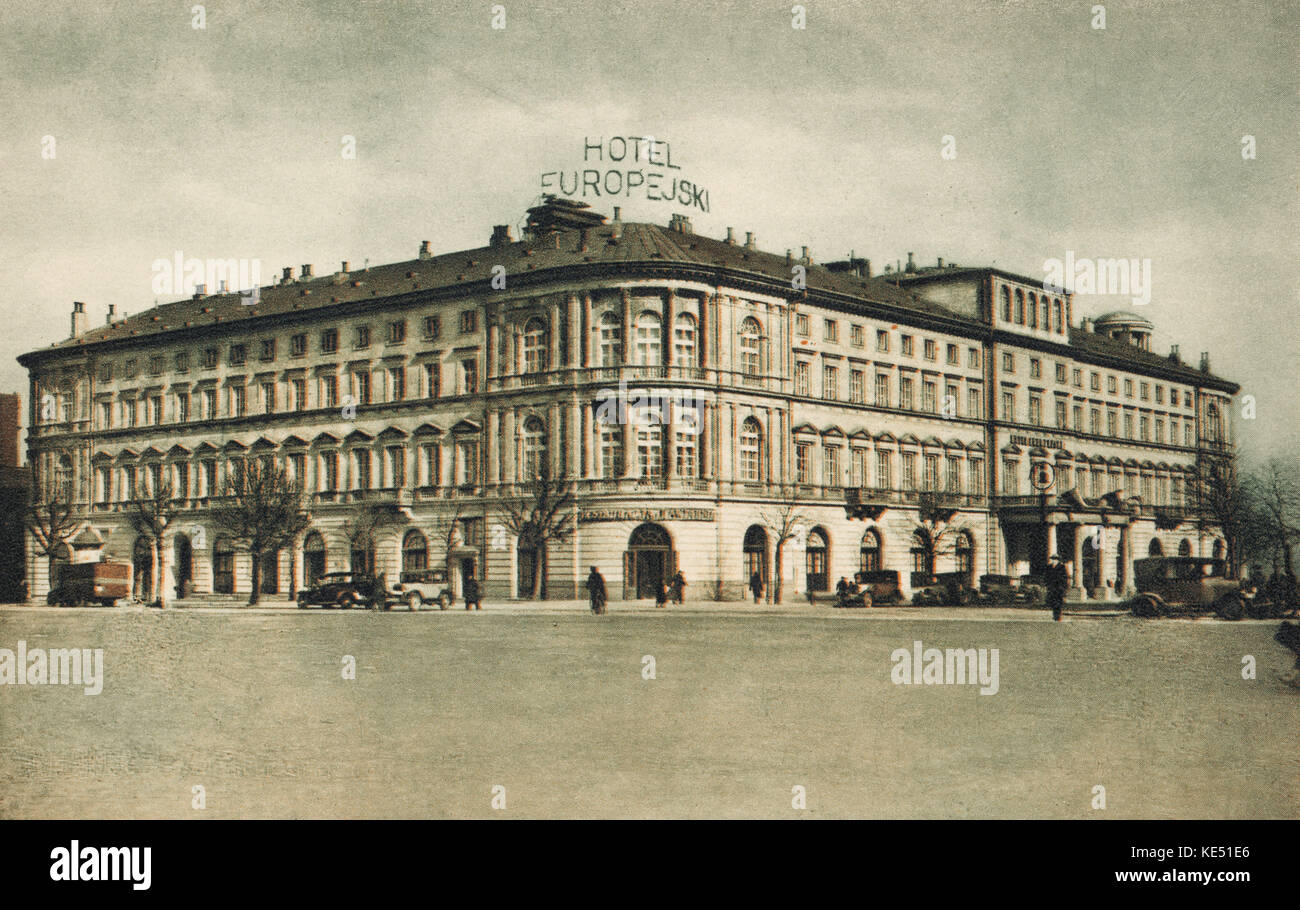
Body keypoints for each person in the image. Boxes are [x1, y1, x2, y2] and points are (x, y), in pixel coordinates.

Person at [1044, 554, 1069, 621]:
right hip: (1052, 588)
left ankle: (1058, 616)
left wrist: (1064, 588)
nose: (1053, 560)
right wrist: (1047, 585)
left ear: (1057, 560)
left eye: (1054, 559)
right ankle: (1055, 615)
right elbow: (1046, 577)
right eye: (1052, 559)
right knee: (1053, 602)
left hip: (1059, 588)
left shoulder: (1062, 567)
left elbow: (1065, 578)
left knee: (1059, 602)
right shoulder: (1049, 567)